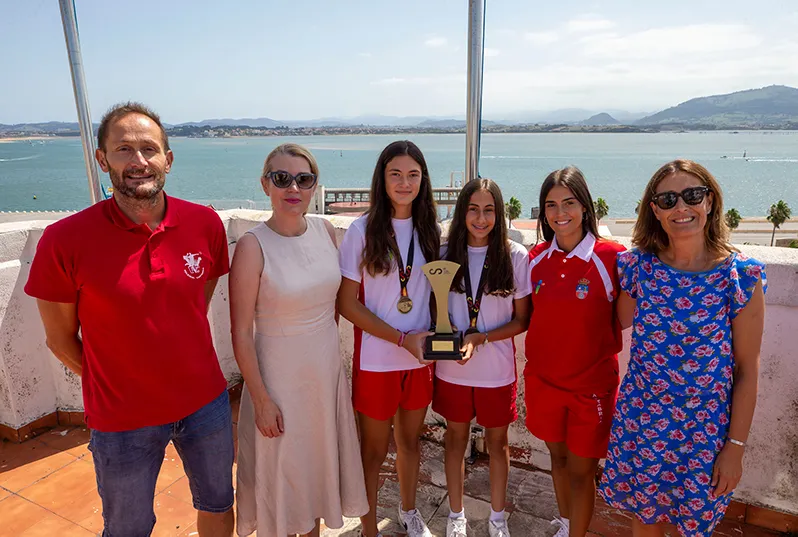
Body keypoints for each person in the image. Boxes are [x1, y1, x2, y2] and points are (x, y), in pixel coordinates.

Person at [24, 102, 235, 537]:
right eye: (123, 149)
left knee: (218, 504)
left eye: (148, 149)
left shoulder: (204, 223)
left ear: (168, 160)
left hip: (206, 404)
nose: (138, 161)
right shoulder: (64, 241)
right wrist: (117, 379)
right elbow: (61, 340)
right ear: (102, 160)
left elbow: (197, 299)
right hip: (123, 420)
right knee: (127, 526)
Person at [598, 160, 766, 537]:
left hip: (704, 434)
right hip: (642, 423)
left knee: (692, 527)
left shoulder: (740, 277)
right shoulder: (638, 268)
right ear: (654, 210)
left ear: (710, 201)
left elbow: (747, 371)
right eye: (668, 200)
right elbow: (617, 321)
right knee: (645, 520)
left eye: (692, 195)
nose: (681, 208)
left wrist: (735, 448)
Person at [230, 143, 368, 537]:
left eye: (304, 179)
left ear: (314, 185)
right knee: (285, 478)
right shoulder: (253, 247)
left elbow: (333, 304)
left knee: (316, 477)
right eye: (282, 178)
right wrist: (260, 399)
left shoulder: (325, 231)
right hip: (279, 382)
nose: (294, 187)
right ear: (265, 184)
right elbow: (240, 332)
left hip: (323, 377)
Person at [337, 140, 440, 537]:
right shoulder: (360, 231)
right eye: (395, 173)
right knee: (374, 451)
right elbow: (348, 304)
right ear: (382, 178)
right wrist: (401, 339)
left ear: (422, 181)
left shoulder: (431, 230)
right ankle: (368, 528)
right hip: (378, 361)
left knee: (411, 444)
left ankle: (410, 513)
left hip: (419, 362)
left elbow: (436, 296)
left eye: (413, 175)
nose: (404, 182)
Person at [525, 167, 625, 537]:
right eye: (551, 205)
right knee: (558, 460)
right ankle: (567, 524)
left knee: (583, 473)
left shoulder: (611, 257)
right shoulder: (534, 259)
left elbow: (628, 316)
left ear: (585, 206)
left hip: (591, 389)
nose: (559, 212)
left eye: (568, 202)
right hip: (544, 383)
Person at [434, 179, 531, 537]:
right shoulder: (445, 254)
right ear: (462, 212)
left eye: (489, 210)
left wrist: (482, 337)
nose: (481, 217)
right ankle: (456, 514)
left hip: (496, 372)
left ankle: (497, 517)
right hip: (452, 369)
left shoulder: (515, 256)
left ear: (499, 213)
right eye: (473, 209)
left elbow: (522, 319)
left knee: (497, 443)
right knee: (455, 439)